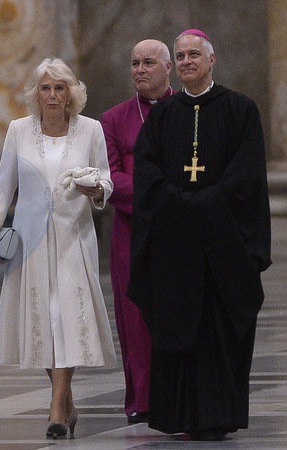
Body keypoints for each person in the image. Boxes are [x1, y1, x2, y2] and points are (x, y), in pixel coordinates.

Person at [129, 29, 272, 441]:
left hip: (226, 247)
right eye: (181, 56)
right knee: (178, 330)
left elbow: (248, 175)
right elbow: (147, 174)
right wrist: (181, 202)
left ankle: (219, 416)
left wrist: (206, 202)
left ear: (212, 60)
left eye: (194, 54)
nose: (187, 61)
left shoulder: (241, 110)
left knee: (220, 331)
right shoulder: (162, 116)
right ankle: (179, 417)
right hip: (175, 248)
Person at [0, 57, 117, 439]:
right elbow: (4, 185)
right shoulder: (18, 130)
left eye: (60, 88)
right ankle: (66, 402)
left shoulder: (90, 129)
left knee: (65, 317)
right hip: (31, 238)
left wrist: (97, 189)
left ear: (71, 93)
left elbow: (106, 179)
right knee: (43, 318)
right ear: (36, 94)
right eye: (46, 88)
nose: (53, 95)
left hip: (74, 235)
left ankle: (56, 409)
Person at [100, 39, 174, 425]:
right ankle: (142, 399)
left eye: (148, 63)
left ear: (168, 68)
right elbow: (110, 176)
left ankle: (179, 395)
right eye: (134, 63)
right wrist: (161, 197)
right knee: (135, 316)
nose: (140, 70)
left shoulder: (190, 111)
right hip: (132, 231)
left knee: (179, 311)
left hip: (181, 230)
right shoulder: (114, 119)